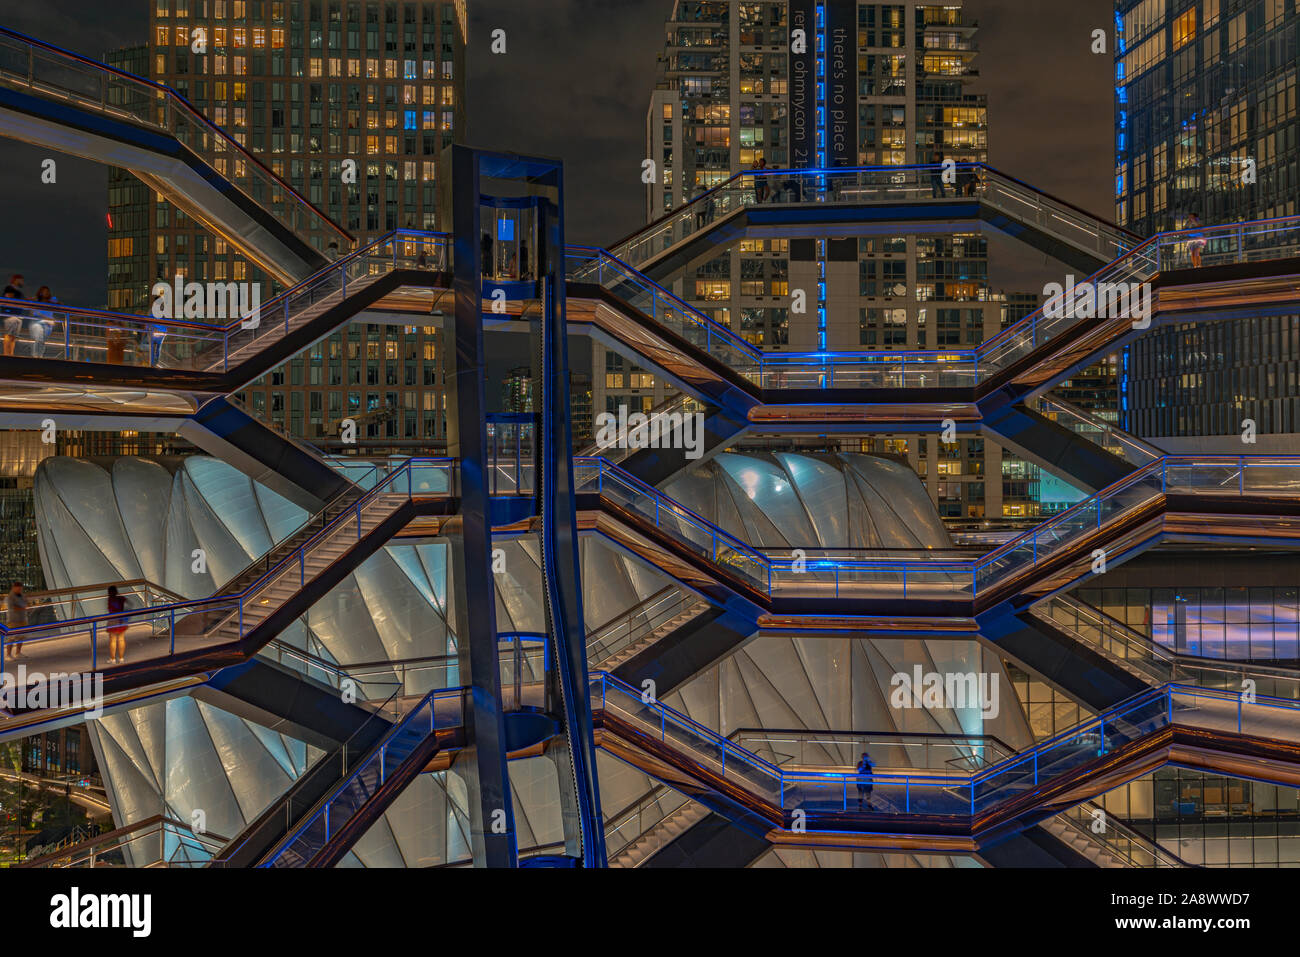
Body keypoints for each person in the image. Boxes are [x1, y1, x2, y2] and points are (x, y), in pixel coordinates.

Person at [25, 286, 57, 358]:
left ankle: (40, 356)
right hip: (37, 321)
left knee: (42, 341)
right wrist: (30, 300)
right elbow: (29, 308)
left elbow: (60, 306)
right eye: (44, 291)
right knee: (39, 338)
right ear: (40, 293)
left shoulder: (51, 302)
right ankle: (36, 356)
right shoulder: (36, 300)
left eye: (47, 291)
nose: (46, 293)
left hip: (48, 324)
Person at [2, 273, 27, 357]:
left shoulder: (16, 290)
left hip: (16, 315)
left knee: (13, 336)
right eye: (21, 280)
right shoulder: (10, 288)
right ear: (16, 280)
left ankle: (10, 354)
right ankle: (7, 354)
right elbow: (9, 297)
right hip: (11, 315)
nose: (22, 282)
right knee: (9, 335)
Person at [106, 585, 129, 665]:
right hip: (121, 620)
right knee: (121, 639)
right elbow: (129, 604)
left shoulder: (110, 599)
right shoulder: (121, 598)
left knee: (113, 640)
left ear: (109, 592)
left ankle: (113, 659)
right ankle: (121, 658)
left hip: (113, 620)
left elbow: (111, 609)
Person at [5, 582, 27, 660]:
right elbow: (12, 608)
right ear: (14, 588)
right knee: (12, 637)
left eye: (21, 588)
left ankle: (18, 652)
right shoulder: (10, 597)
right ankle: (8, 655)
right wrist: (23, 608)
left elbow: (25, 604)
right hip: (13, 620)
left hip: (22, 619)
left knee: (21, 636)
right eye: (18, 588)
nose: (19, 589)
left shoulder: (22, 595)